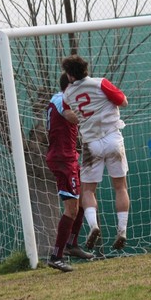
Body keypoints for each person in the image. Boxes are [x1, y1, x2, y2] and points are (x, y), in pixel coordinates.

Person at [61, 55, 130, 250]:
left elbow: (69, 116)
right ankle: (122, 230)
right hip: (113, 138)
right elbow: (124, 101)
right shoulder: (101, 83)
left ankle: (93, 226)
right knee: (120, 187)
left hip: (91, 144)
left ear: (69, 74)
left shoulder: (67, 94)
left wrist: (85, 118)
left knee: (88, 190)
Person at [45, 73, 96, 272]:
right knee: (71, 208)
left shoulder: (64, 100)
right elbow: (71, 116)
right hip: (62, 159)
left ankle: (72, 245)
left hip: (69, 157)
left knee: (85, 196)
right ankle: (56, 256)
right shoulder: (60, 99)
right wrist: (91, 114)